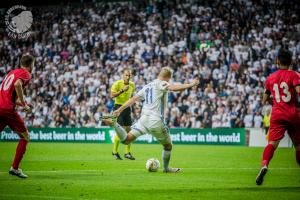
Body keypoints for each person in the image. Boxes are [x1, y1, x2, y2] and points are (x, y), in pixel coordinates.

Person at [103, 67, 199, 172]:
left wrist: (119, 110)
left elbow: (133, 99)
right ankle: (166, 168)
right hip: (156, 121)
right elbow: (173, 88)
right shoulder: (162, 83)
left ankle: (114, 125)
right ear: (168, 77)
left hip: (143, 120)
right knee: (168, 146)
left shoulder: (147, 86)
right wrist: (191, 84)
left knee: (126, 140)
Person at [256, 49, 300, 185]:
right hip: (293, 113)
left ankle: (264, 165)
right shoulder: (295, 75)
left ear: (277, 62)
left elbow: (264, 100)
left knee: (272, 144)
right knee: (298, 146)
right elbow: (299, 91)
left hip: (277, 114)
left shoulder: (270, 77)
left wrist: (276, 100)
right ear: (291, 62)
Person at [0, 54, 35, 178]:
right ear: (31, 65)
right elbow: (17, 85)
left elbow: (8, 95)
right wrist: (24, 104)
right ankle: (15, 168)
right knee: (25, 137)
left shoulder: (12, 72)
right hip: (8, 110)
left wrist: (22, 104)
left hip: (1, 107)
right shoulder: (25, 73)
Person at [110, 69, 135, 160]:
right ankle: (115, 152)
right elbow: (112, 96)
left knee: (129, 131)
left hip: (127, 108)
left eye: (129, 75)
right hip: (118, 108)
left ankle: (127, 153)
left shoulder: (132, 84)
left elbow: (131, 97)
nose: (128, 77)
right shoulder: (117, 84)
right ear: (123, 75)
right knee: (120, 130)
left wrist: (133, 107)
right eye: (126, 75)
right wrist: (121, 91)